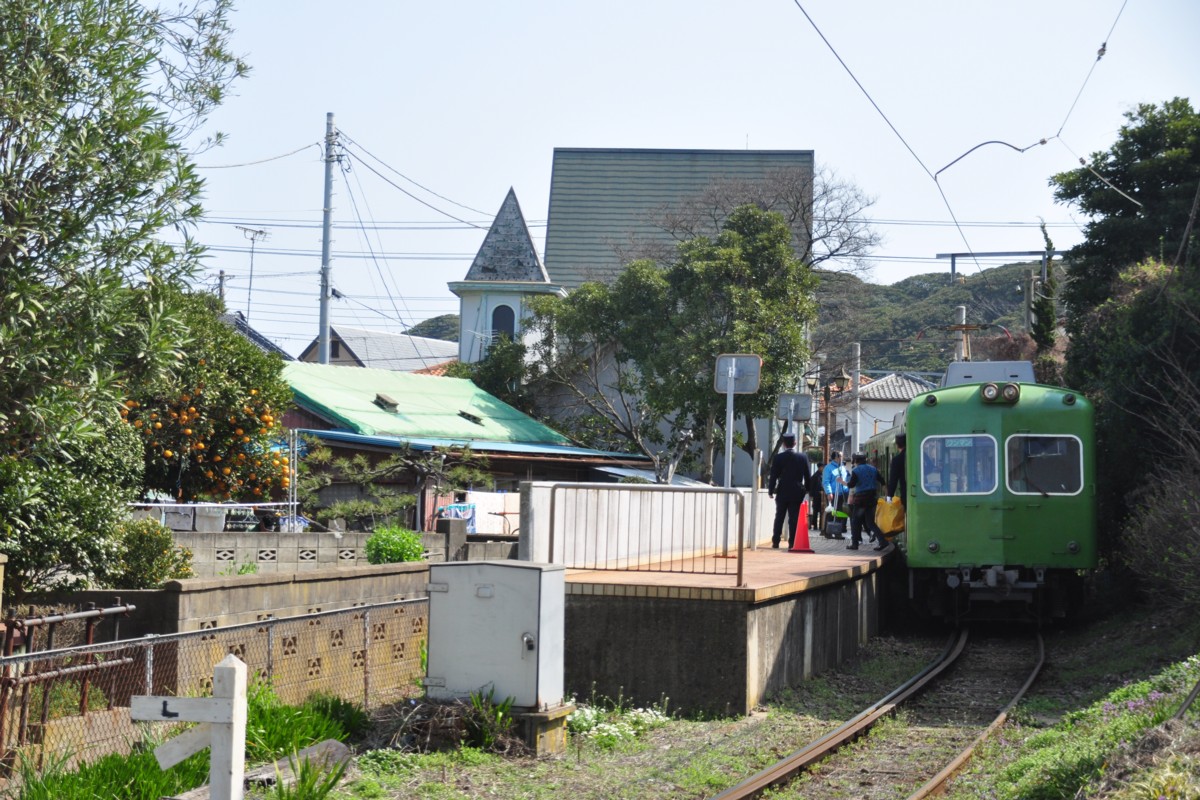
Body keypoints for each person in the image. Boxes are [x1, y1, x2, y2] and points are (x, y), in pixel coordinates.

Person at [767, 432, 811, 549]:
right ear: (795, 443)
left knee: (779, 516)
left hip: (782, 491)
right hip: (797, 492)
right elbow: (808, 476)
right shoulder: (802, 457)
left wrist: (771, 490)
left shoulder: (778, 457)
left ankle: (776, 541)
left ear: (784, 444)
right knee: (794, 518)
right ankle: (792, 542)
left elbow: (773, 476)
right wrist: (807, 490)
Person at [847, 452, 886, 550]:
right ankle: (883, 541)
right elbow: (882, 482)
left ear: (855, 460)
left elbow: (851, 485)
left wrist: (842, 482)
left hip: (861, 499)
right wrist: (888, 496)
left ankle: (854, 544)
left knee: (855, 521)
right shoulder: (873, 469)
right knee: (870, 522)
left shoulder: (856, 470)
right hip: (872, 498)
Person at [821, 451, 849, 538]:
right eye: (840, 456)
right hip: (833, 493)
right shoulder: (828, 468)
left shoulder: (842, 468)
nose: (842, 458)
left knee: (840, 513)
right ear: (836, 457)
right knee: (831, 512)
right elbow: (826, 481)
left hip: (842, 494)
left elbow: (845, 480)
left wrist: (847, 491)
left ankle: (837, 532)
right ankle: (827, 532)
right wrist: (829, 492)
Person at [887, 433, 907, 505]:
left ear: (897, 445)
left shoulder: (897, 460)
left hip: (906, 494)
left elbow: (893, 480)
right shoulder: (919, 455)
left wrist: (890, 496)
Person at [807, 459, 825, 532]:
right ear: (819, 467)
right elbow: (812, 487)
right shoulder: (815, 476)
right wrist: (815, 494)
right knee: (815, 511)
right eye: (822, 467)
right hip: (816, 496)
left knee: (821, 511)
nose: (823, 468)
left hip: (822, 497)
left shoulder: (823, 475)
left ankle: (821, 526)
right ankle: (814, 525)